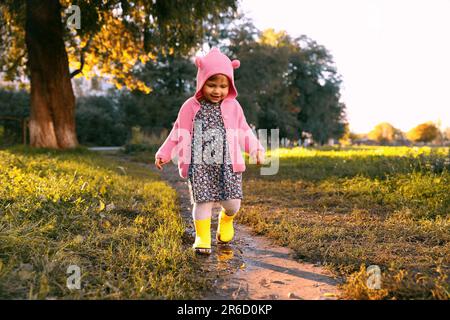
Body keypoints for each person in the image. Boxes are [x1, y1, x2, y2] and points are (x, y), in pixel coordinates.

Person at [154, 47, 265, 254]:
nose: (217, 91)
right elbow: (178, 132)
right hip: (200, 164)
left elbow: (243, 130)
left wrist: (255, 149)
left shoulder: (233, 106)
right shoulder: (190, 106)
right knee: (202, 201)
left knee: (232, 203)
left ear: (230, 85)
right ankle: (202, 238)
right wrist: (164, 153)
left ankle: (226, 219)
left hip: (228, 163)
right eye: (211, 85)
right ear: (201, 82)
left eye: (223, 86)